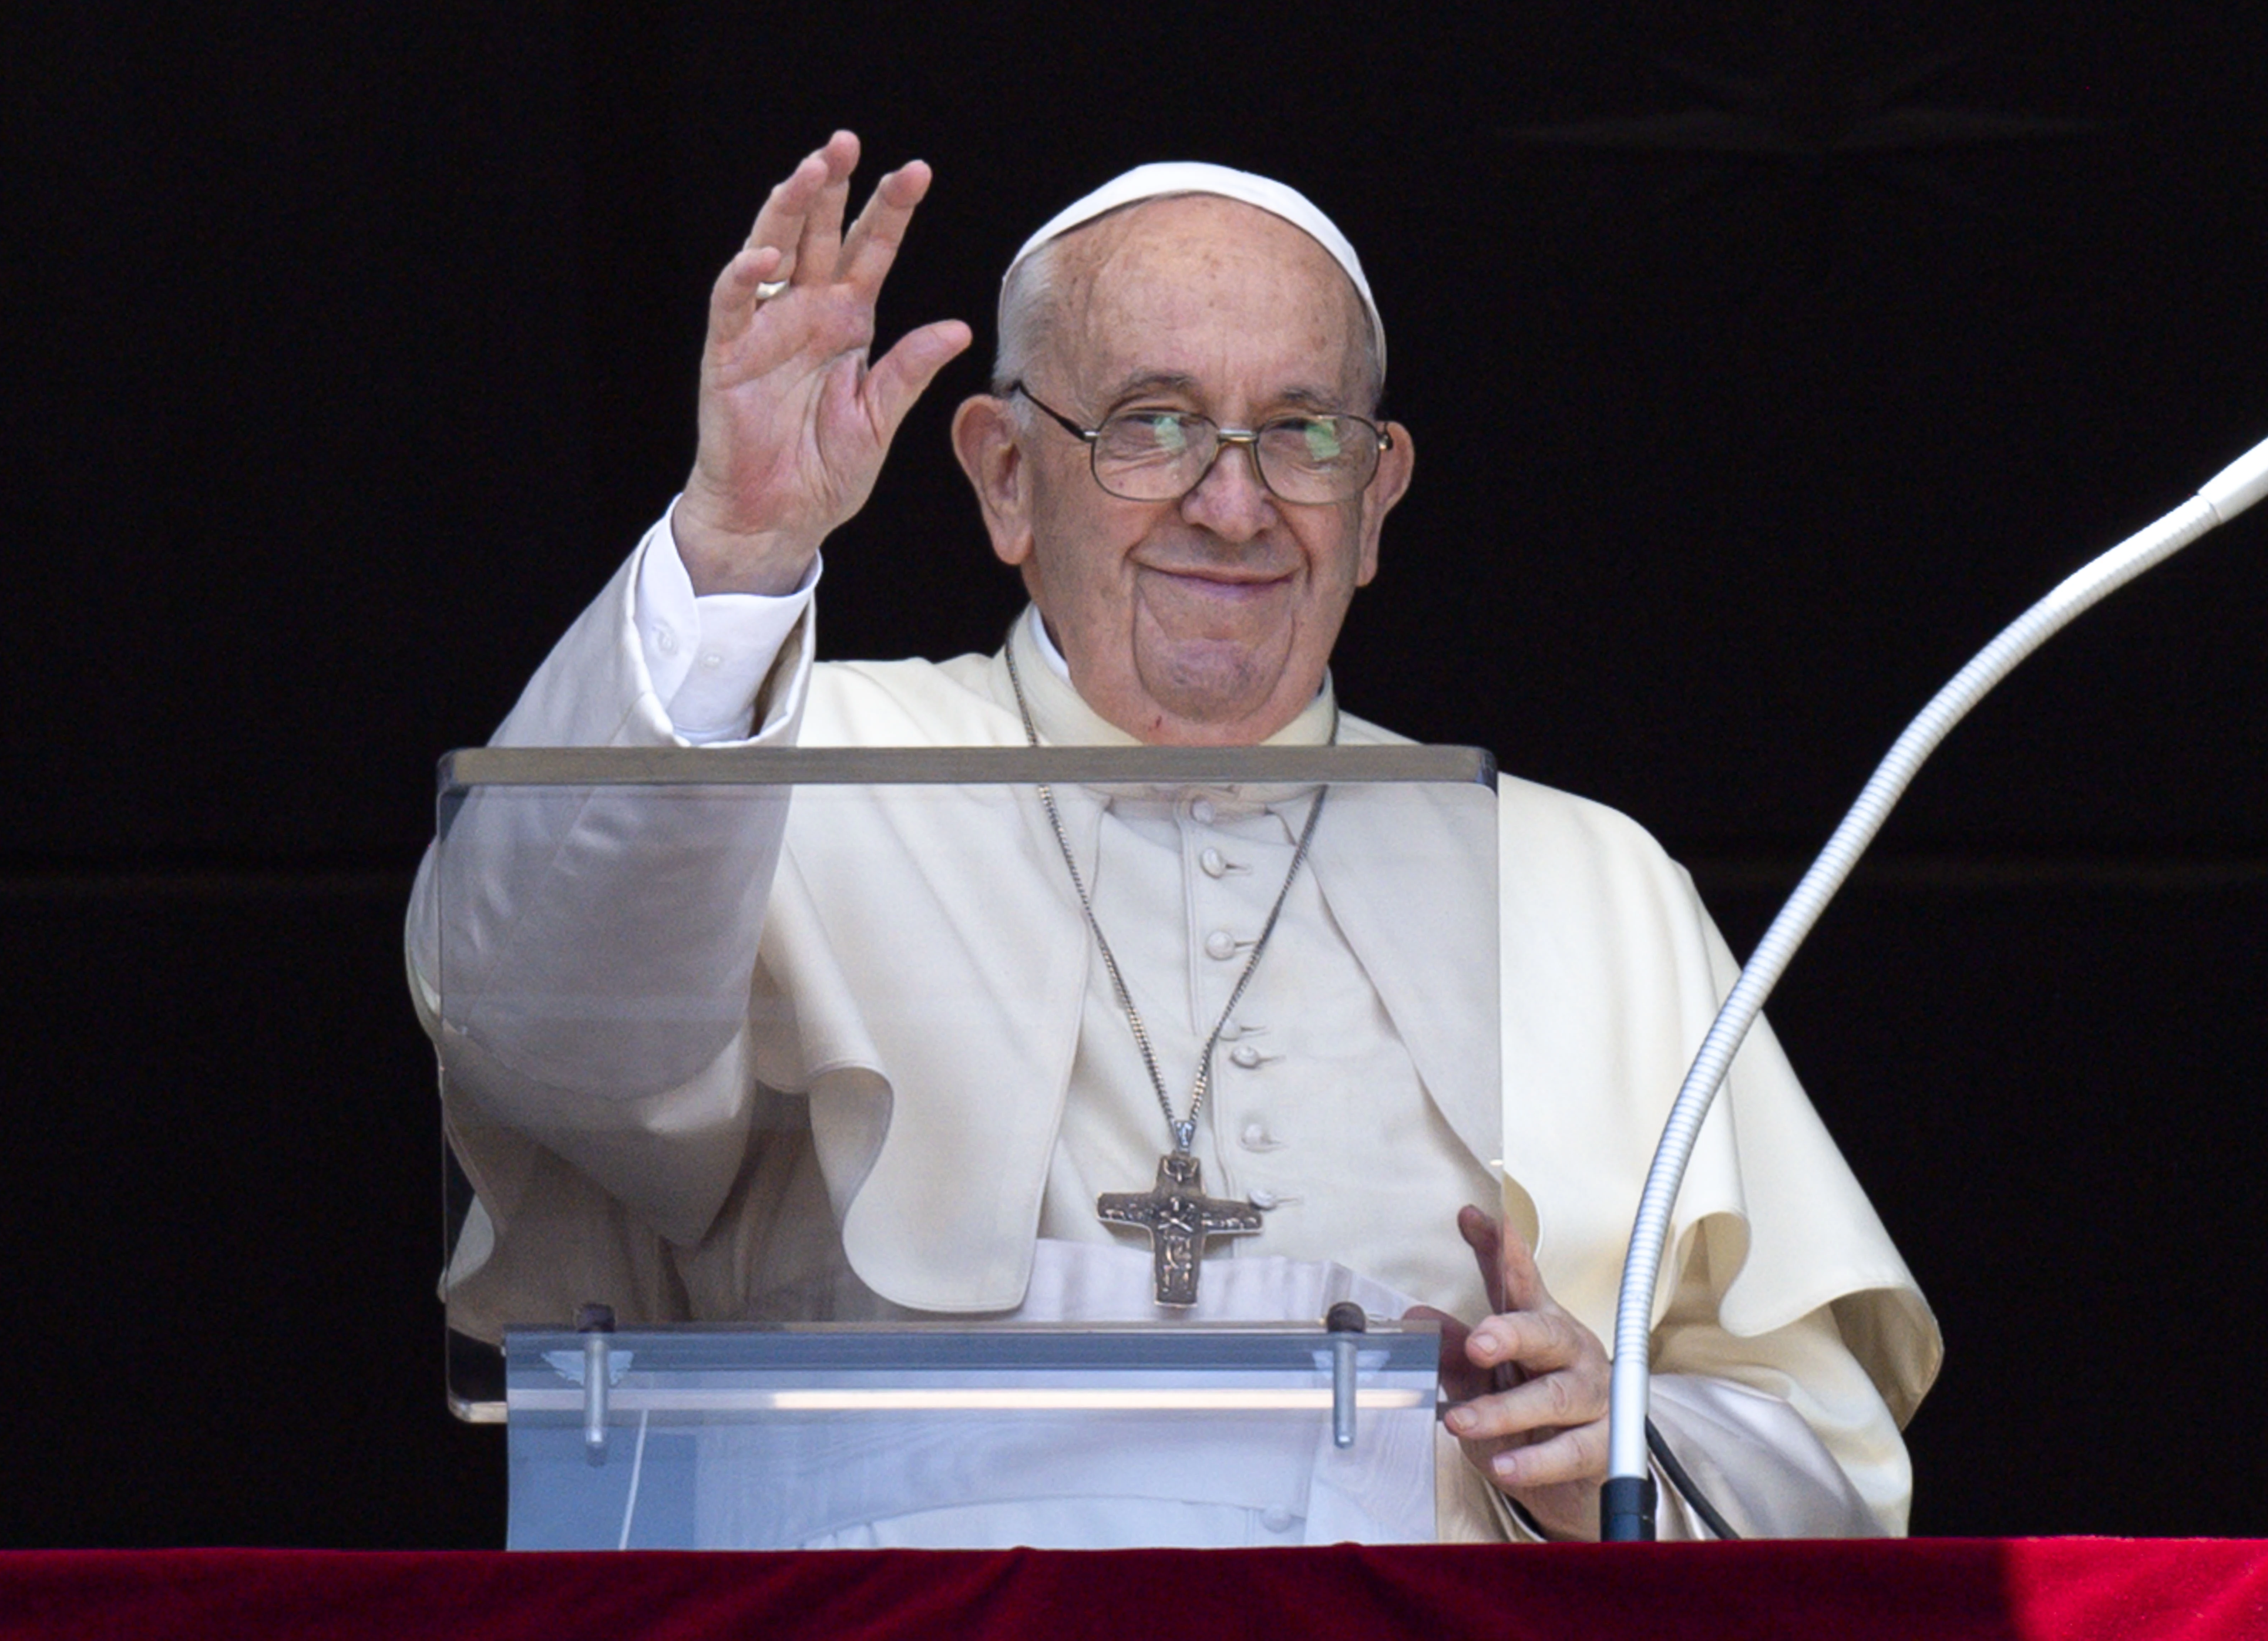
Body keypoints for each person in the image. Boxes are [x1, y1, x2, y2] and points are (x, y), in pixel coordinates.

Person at [408, 131, 1939, 1544]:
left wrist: (1607, 1445)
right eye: (1152, 424)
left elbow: (1820, 1462)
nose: (1232, 503)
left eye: (1300, 432)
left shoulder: (1584, 877)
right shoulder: (784, 758)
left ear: (1379, 493)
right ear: (1006, 474)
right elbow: (538, 1033)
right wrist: (738, 548)